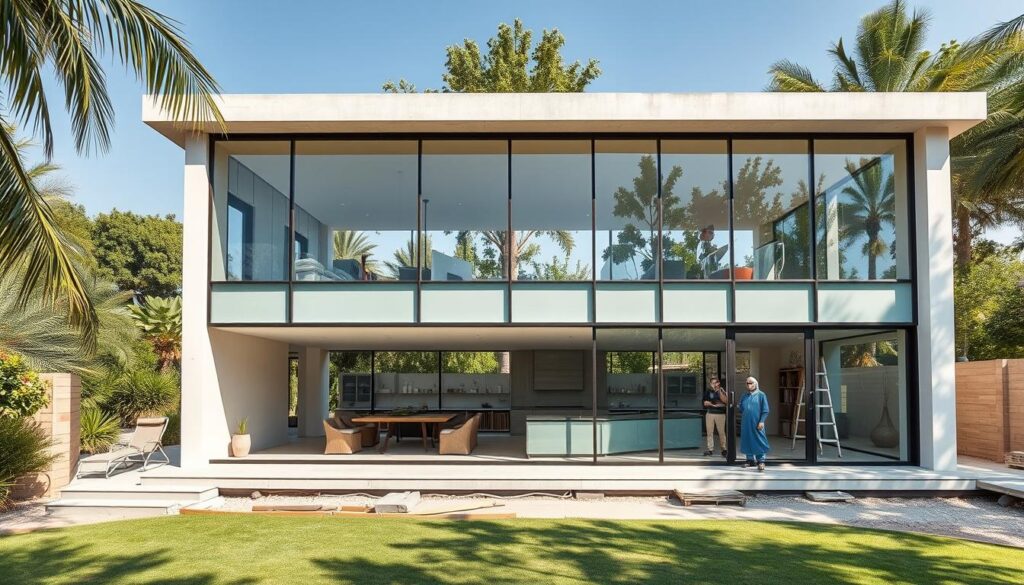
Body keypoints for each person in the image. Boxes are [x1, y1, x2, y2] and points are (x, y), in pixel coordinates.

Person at [739, 376, 770, 471]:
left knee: (759, 440)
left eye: (751, 383)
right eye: (747, 383)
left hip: (757, 422)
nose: (749, 385)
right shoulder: (744, 395)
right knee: (747, 439)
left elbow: (765, 410)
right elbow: (741, 407)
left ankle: (761, 461)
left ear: (755, 384)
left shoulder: (761, 395)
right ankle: (750, 460)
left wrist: (762, 421)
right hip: (746, 422)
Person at [702, 377, 728, 457]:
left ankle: (724, 449)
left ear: (718, 383)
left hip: (720, 414)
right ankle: (710, 449)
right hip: (710, 413)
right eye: (712, 383)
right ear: (710, 384)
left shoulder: (722, 391)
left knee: (721, 432)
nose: (714, 384)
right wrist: (714, 405)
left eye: (715, 382)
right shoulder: (708, 392)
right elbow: (705, 403)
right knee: (709, 432)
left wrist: (719, 391)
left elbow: (725, 401)